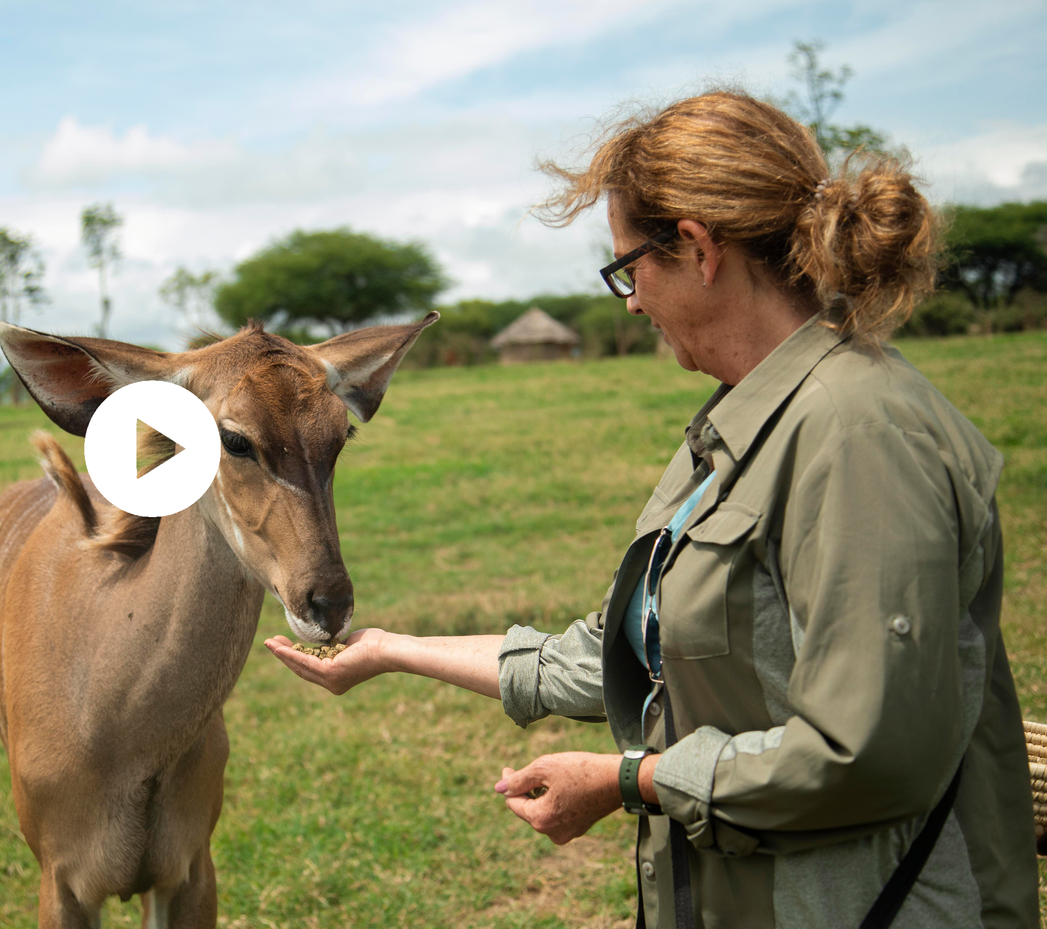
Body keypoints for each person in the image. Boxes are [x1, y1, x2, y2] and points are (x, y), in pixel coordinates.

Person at [265, 90, 1038, 929]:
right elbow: (617, 656)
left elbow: (863, 755)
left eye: (629, 269)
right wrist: (387, 650)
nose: (629, 300)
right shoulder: (735, 424)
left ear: (699, 250)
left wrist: (627, 779)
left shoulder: (860, 432)